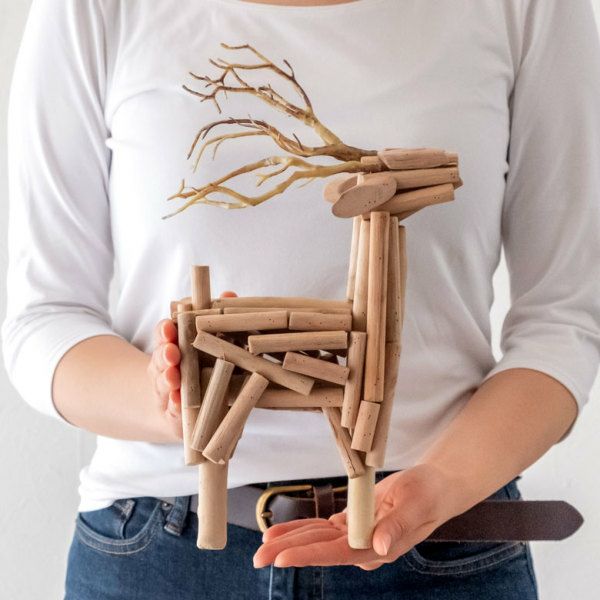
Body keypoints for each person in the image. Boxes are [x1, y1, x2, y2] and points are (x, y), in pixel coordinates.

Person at [3, 0, 600, 598]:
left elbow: (563, 322)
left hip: (439, 542)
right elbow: (46, 319)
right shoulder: (90, 10)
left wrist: (442, 483)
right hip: (162, 553)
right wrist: (170, 398)